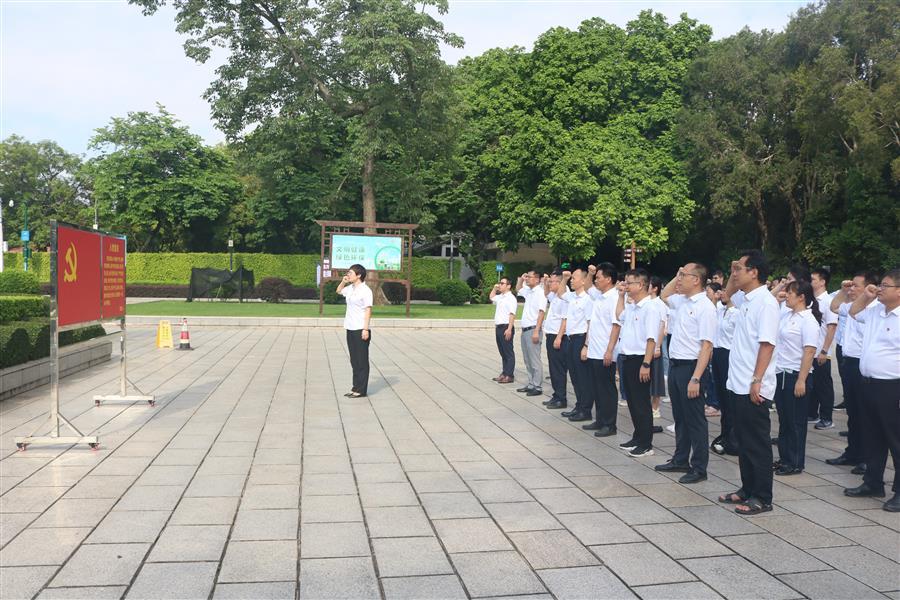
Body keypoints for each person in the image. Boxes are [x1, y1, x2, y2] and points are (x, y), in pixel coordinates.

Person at [719, 250, 779, 515]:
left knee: (757, 443)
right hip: (738, 381)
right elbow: (726, 294)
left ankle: (762, 497)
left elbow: (767, 344)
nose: (735, 272)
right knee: (743, 441)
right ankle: (747, 488)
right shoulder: (746, 298)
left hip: (753, 384)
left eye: (740, 268)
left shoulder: (766, 302)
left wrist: (757, 380)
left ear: (754, 272)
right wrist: (734, 268)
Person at [655, 263, 717, 483]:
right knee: (680, 416)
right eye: (679, 275)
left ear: (697, 280)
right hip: (675, 365)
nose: (680, 279)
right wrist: (677, 273)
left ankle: (699, 467)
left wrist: (696, 378)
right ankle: (680, 458)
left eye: (684, 276)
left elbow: (707, 346)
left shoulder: (705, 307)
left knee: (695, 420)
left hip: (692, 368)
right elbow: (664, 294)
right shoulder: (681, 301)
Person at [844, 269, 900, 512]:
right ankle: (873, 482)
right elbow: (852, 311)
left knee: (895, 441)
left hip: (891, 386)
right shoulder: (876, 309)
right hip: (869, 382)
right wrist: (866, 296)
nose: (880, 289)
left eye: (885, 286)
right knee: (873, 437)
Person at [826, 272, 879, 472]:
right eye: (851, 286)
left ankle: (867, 457)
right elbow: (834, 306)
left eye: (856, 286)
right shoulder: (851, 306)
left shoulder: (875, 309)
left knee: (865, 414)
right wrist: (842, 289)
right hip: (848, 363)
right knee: (853, 413)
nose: (852, 289)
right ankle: (853, 452)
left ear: (869, 288)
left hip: (863, 366)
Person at [773, 280, 821, 476]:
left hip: (796, 374)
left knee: (796, 422)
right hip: (781, 372)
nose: (787, 295)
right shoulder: (786, 314)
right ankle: (784, 458)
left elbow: (809, 351)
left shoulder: (808, 320)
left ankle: (795, 462)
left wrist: (802, 380)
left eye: (790, 293)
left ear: (802, 297)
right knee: (784, 420)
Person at [615, 268, 662, 457]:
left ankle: (646, 443)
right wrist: (620, 297)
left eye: (629, 283)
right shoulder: (633, 306)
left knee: (641, 402)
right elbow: (619, 316)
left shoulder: (650, 308)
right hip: (627, 358)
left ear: (641, 285)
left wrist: (646, 364)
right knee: (632, 401)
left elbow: (651, 338)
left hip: (640, 359)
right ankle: (637, 436)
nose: (626, 286)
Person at [584, 262, 622, 437]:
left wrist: (609, 350)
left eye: (599, 278)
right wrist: (591, 274)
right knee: (597, 387)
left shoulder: (614, 298)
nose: (596, 281)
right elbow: (586, 286)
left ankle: (609, 424)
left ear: (608, 279)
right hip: (594, 350)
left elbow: (616, 326)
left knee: (607, 389)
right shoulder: (599, 295)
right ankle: (600, 419)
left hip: (605, 352)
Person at [709, 283, 739, 456]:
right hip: (718, 353)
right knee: (722, 397)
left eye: (727, 292)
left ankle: (733, 439)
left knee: (730, 399)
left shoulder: (737, 314)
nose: (723, 294)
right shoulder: (720, 310)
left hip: (729, 354)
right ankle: (725, 435)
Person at [560, 269, 593, 422]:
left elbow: (589, 324)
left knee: (582, 377)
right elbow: (560, 293)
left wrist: (586, 345)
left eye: (574, 278)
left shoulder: (588, 299)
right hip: (571, 339)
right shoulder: (572, 296)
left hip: (581, 339)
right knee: (573, 375)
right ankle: (579, 406)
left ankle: (586, 410)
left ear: (584, 281)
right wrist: (564, 279)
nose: (572, 280)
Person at [337, 264, 373, 398]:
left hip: (360, 328)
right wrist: (343, 281)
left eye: (351, 273)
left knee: (361, 360)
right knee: (354, 359)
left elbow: (368, 310)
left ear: (359, 275)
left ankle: (361, 390)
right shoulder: (351, 288)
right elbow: (339, 291)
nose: (348, 274)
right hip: (350, 327)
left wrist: (365, 329)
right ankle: (355, 387)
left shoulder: (366, 290)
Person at [809, 267, 838, 429]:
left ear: (822, 282)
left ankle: (827, 417)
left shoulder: (828, 302)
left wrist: (824, 350)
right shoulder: (811, 300)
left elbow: (832, 327)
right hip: (811, 350)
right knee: (812, 385)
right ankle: (812, 413)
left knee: (823, 385)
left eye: (813, 279)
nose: (810, 282)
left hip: (822, 350)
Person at [515, 271, 547, 396]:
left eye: (530, 277)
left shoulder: (541, 293)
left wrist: (536, 331)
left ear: (538, 279)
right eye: (527, 277)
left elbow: (541, 312)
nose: (527, 279)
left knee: (534, 359)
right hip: (525, 330)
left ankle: (537, 386)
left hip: (533, 329)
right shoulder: (529, 291)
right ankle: (531, 383)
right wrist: (521, 279)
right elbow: (518, 289)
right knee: (527, 359)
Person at [543, 272, 569, 409]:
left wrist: (559, 337)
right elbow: (546, 294)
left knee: (558, 369)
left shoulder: (565, 296)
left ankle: (561, 398)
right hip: (551, 334)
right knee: (553, 368)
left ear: (559, 282)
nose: (550, 284)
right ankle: (556, 395)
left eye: (552, 281)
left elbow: (565, 319)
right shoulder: (555, 295)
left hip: (559, 337)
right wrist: (546, 282)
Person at [490, 277, 518, 384]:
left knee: (508, 352)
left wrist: (509, 329)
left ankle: (509, 375)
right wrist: (494, 288)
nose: (500, 285)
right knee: (502, 352)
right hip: (499, 327)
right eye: (500, 283)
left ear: (508, 286)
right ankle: (504, 372)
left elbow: (512, 314)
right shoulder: (501, 297)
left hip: (506, 327)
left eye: (502, 283)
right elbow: (492, 297)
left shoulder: (511, 298)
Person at [648, 277, 668, 420]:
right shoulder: (646, 303)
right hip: (645, 345)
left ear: (655, 288)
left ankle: (655, 407)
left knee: (656, 378)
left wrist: (658, 346)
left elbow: (662, 325)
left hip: (655, 345)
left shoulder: (659, 304)